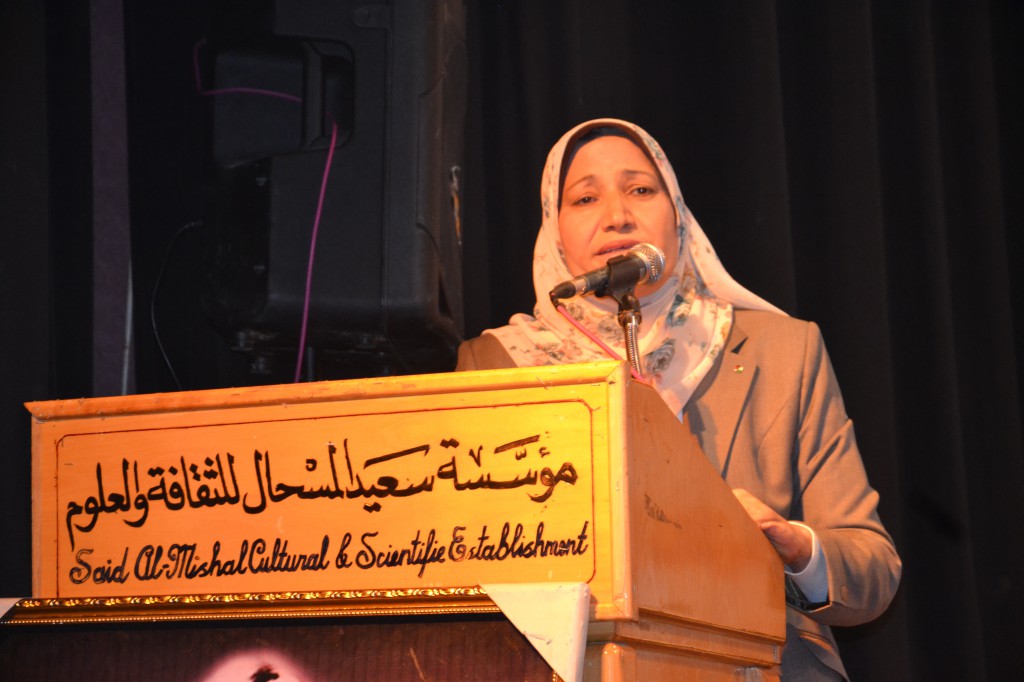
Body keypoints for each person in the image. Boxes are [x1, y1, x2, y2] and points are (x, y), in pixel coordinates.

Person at [456, 118, 901, 680]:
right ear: (554, 229)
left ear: (679, 217)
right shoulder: (497, 361)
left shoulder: (783, 351)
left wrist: (795, 548)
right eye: (585, 198)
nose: (617, 215)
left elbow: (873, 566)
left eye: (641, 189)